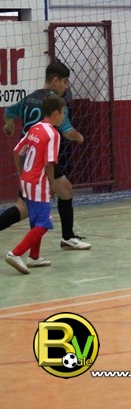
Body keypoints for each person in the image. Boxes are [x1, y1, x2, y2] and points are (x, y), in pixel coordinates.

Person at [0, 60, 90, 250]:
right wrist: (80, 137)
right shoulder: (54, 103)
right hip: (41, 159)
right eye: (65, 81)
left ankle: (67, 237)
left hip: (27, 157)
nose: (66, 86)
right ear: (55, 80)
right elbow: (67, 131)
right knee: (35, 206)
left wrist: (9, 126)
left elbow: (8, 112)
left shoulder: (29, 98)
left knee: (59, 192)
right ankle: (65, 238)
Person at [5, 94, 65, 274]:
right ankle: (16, 253)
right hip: (38, 182)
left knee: (35, 220)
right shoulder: (53, 134)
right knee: (44, 223)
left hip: (26, 180)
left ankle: (34, 257)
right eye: (63, 113)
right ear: (56, 114)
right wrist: (52, 185)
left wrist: (21, 174)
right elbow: (49, 164)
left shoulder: (34, 128)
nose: (63, 116)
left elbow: (17, 152)